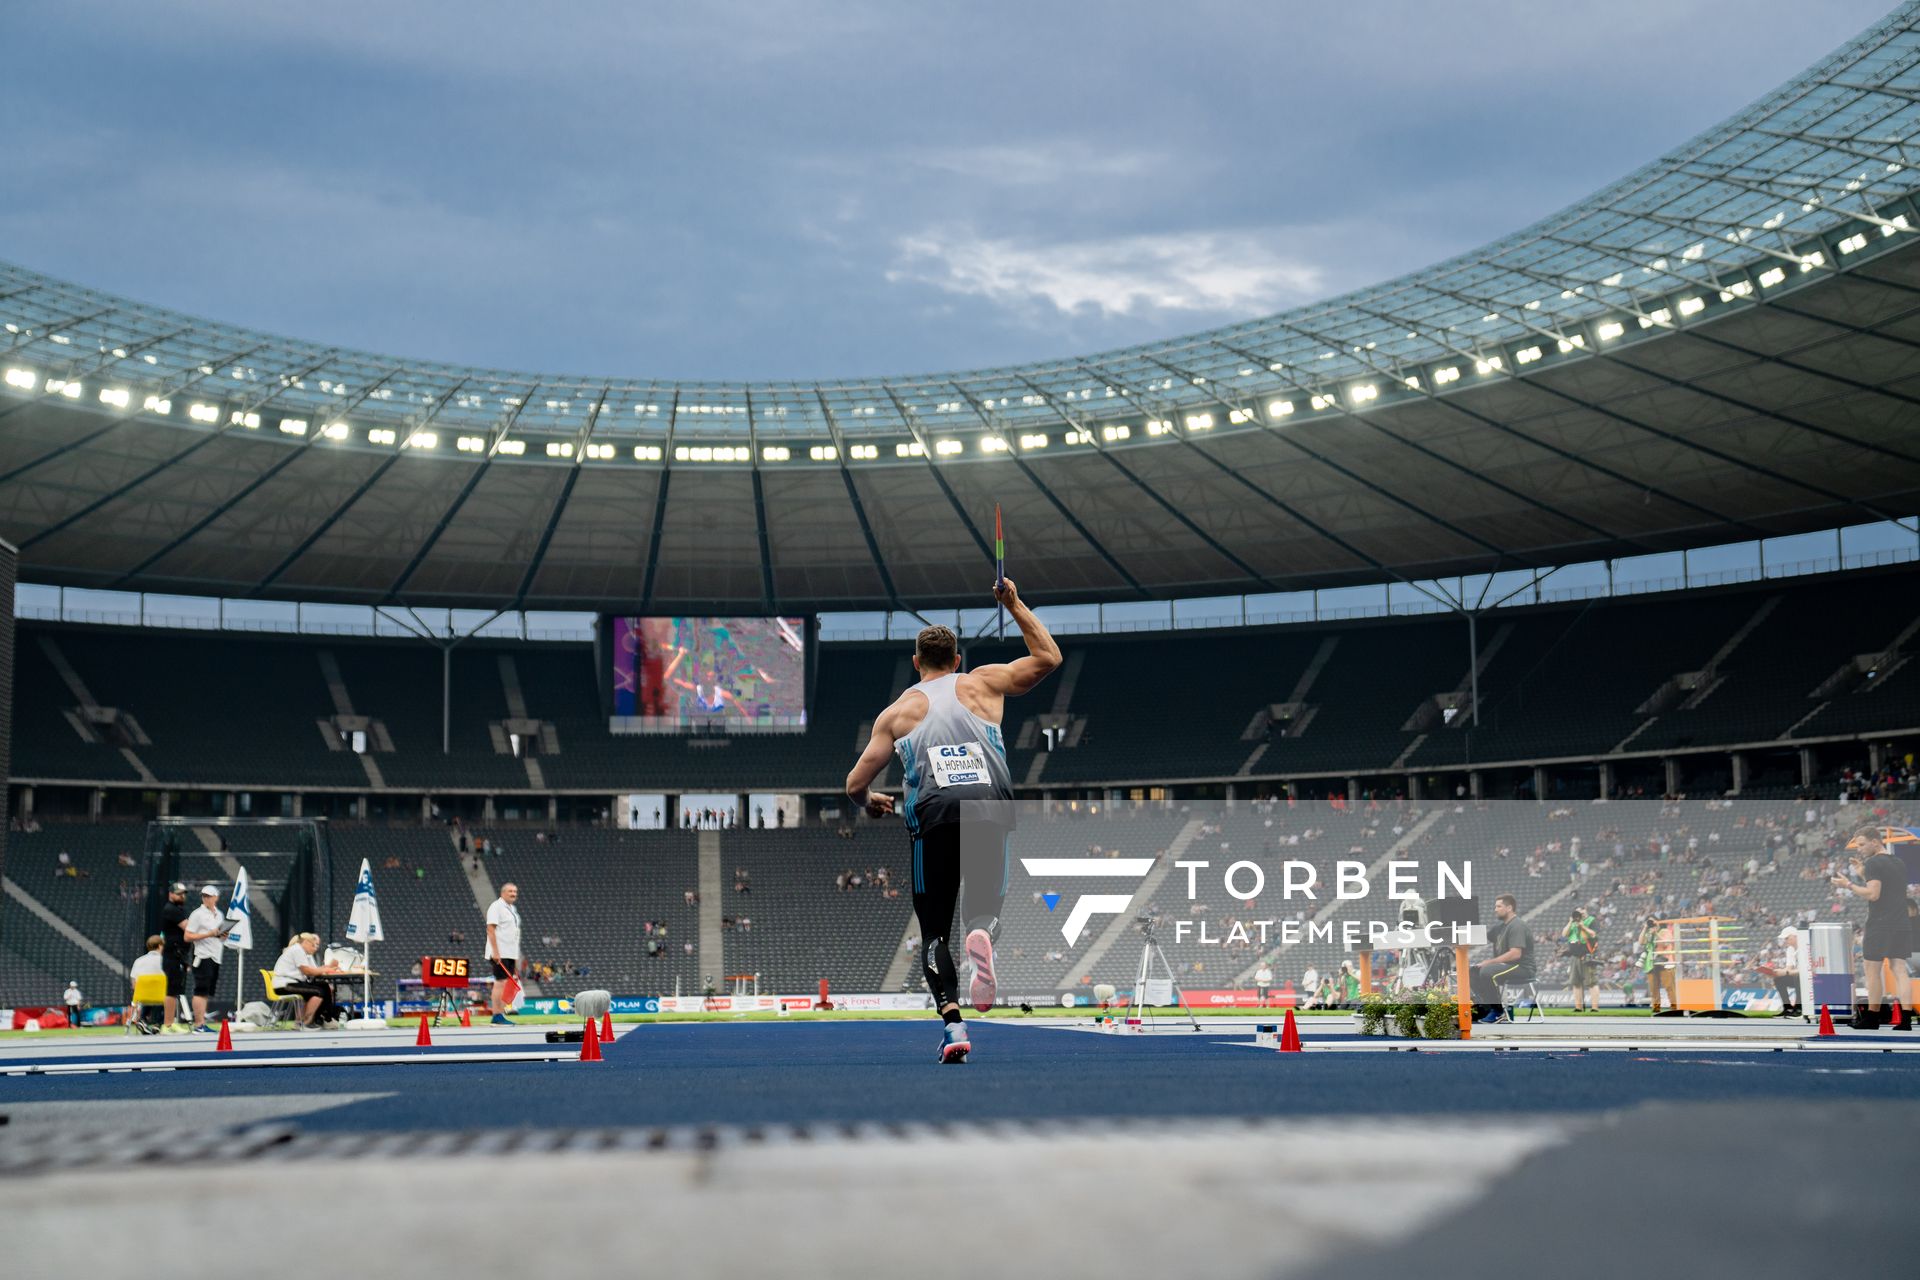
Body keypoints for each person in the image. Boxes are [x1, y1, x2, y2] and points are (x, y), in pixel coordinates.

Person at [843, 577, 1060, 1064]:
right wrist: (1014, 603)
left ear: (917, 664)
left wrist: (871, 801)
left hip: (936, 815)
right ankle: (982, 933)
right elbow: (1049, 659)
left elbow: (855, 783)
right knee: (983, 913)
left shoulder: (898, 712)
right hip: (992, 807)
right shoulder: (983, 682)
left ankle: (954, 1025)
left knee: (935, 929)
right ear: (957, 660)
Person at [1832, 829, 1914, 1029]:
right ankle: (1905, 1020)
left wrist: (1848, 884)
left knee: (1872, 972)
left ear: (1875, 842)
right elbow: (1888, 886)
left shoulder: (1874, 863)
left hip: (1880, 924)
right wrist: (1862, 872)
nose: (1858, 849)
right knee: (1900, 970)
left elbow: (1873, 894)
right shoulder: (1898, 862)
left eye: (1861, 844)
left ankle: (1871, 1018)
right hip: (1901, 922)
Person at [1471, 894, 1534, 1021]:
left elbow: (1516, 953)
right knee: (1472, 971)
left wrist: (1489, 962)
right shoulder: (1499, 927)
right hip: (1507, 966)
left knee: (1487, 971)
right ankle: (1486, 1007)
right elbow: (1480, 938)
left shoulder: (1517, 925)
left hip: (1522, 967)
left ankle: (1498, 1011)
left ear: (1509, 907)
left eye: (1498, 906)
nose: (1495, 909)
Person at [183, 884, 232, 1032]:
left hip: (216, 956)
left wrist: (223, 935)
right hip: (203, 955)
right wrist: (209, 934)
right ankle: (199, 1024)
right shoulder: (197, 914)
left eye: (209, 896)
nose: (206, 898)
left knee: (206, 991)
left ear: (216, 897)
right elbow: (187, 936)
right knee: (201, 990)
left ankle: (201, 1023)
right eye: (204, 896)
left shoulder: (220, 914)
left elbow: (219, 937)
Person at [271, 932, 345, 1027]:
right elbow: (307, 971)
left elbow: (312, 970)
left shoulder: (300, 951)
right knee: (319, 991)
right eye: (313, 945)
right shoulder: (297, 950)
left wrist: (328, 968)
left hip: (291, 983)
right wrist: (327, 969)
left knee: (323, 986)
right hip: (285, 985)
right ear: (306, 942)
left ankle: (323, 1017)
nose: (315, 948)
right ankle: (305, 1022)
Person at [485, 882, 523, 1025]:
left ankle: (500, 1013)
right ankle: (496, 1015)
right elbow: (490, 929)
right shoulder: (496, 907)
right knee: (500, 982)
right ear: (502, 893)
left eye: (515, 891)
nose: (513, 894)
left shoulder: (512, 908)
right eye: (510, 891)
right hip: (500, 952)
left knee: (505, 983)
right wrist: (495, 951)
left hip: (509, 952)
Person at [158, 881, 192, 1031]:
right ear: (170, 894)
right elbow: (189, 927)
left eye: (183, 893)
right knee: (171, 990)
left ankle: (171, 1023)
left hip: (177, 955)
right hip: (172, 954)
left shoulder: (178, 909)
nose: (182, 896)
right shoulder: (171, 909)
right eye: (179, 893)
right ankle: (167, 1024)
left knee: (175, 990)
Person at [1563, 904, 1599, 1013]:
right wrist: (1570, 922)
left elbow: (1593, 934)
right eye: (1577, 912)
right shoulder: (1573, 923)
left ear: (1585, 909)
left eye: (1581, 911)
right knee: (1576, 982)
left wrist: (1583, 926)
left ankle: (1594, 1008)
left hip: (1588, 956)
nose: (1580, 914)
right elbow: (1564, 934)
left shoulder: (1591, 921)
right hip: (1575, 956)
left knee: (1592, 982)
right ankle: (1578, 1007)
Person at [1638, 916, 1678, 1014]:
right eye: (1650, 921)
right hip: (1651, 963)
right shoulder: (1648, 933)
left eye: (1653, 921)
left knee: (1669, 987)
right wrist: (1645, 928)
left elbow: (1665, 943)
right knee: (1653, 988)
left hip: (1665, 962)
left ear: (1658, 922)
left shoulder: (1665, 931)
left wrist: (1655, 933)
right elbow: (1641, 942)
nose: (1652, 923)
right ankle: (1656, 1007)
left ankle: (1674, 1007)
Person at [126, 935, 165, 1033]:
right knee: (168, 996)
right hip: (161, 996)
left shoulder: (138, 961)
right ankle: (158, 1024)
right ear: (160, 946)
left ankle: (142, 1020)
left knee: (149, 996)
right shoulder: (164, 961)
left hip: (141, 996)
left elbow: (134, 983)